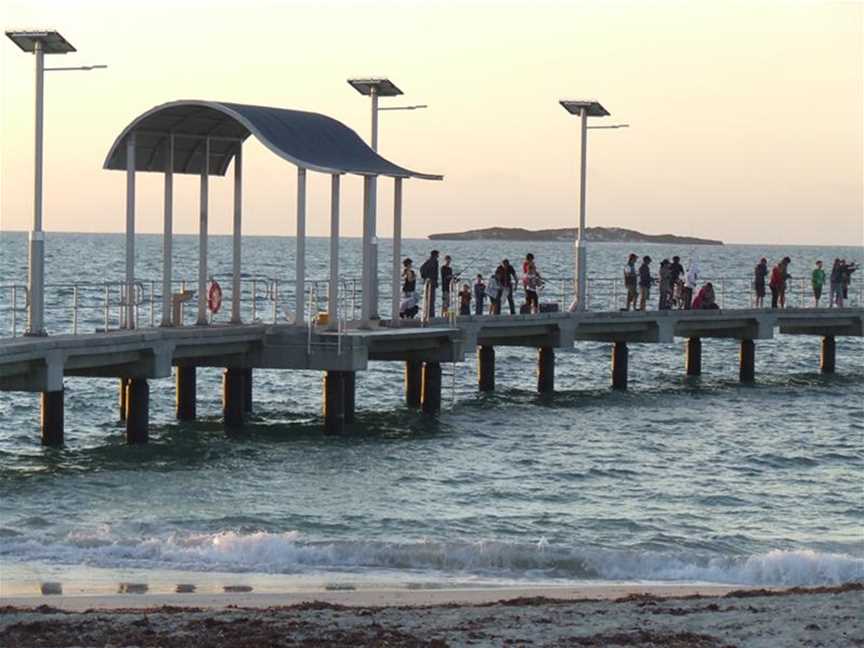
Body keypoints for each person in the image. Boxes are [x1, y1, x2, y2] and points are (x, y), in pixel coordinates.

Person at [419, 250, 439, 318]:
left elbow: (421, 269)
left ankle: (427, 314)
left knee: (428, 299)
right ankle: (431, 315)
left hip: (429, 282)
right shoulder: (434, 261)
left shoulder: (428, 261)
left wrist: (425, 277)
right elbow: (435, 273)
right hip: (431, 283)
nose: (438, 256)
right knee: (431, 299)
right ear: (435, 255)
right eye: (437, 255)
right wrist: (429, 278)